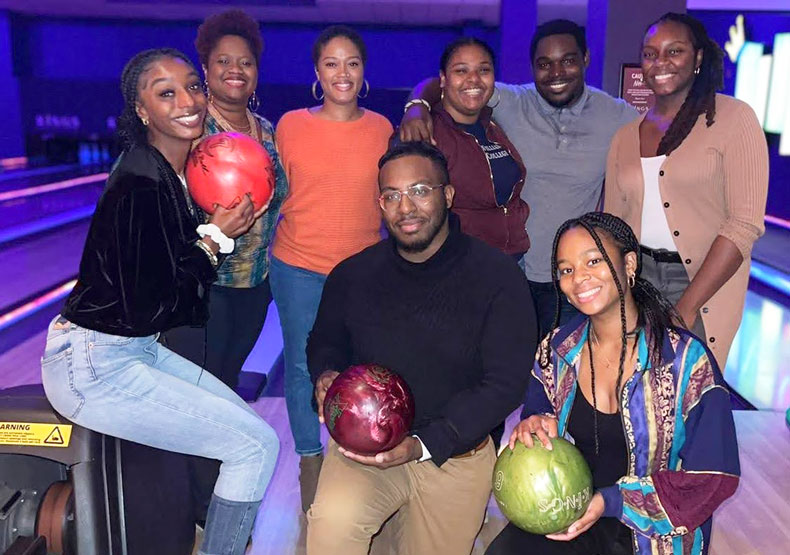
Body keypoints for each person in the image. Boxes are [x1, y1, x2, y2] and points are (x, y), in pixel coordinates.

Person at [39, 49, 279, 555]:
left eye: (192, 87)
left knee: (251, 434)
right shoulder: (139, 185)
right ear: (142, 110)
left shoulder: (166, 173)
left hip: (128, 351)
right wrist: (214, 239)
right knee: (254, 446)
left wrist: (211, 236)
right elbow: (155, 304)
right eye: (166, 93)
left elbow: (169, 297)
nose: (187, 101)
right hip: (95, 366)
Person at [306, 142, 538, 554]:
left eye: (419, 190)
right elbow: (325, 340)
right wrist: (326, 374)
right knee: (331, 530)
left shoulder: (496, 277)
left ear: (448, 195)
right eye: (391, 196)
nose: (405, 207)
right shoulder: (353, 274)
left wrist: (425, 442)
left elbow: (505, 383)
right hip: (366, 453)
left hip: (454, 454)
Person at [485, 212, 739, 555]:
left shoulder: (686, 362)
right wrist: (537, 421)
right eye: (566, 269)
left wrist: (612, 501)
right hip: (573, 509)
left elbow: (713, 477)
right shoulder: (557, 350)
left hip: (653, 533)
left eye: (593, 261)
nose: (579, 278)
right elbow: (539, 407)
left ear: (629, 263)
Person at [400, 19, 638, 337]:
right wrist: (416, 106)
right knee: (512, 370)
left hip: (573, 276)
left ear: (585, 60)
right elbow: (445, 83)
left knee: (564, 372)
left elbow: (661, 137)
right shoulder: (512, 101)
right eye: (544, 64)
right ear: (532, 68)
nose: (556, 73)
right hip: (514, 271)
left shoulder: (617, 115)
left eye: (568, 61)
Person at [160, 9, 288, 526]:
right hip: (203, 284)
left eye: (246, 62)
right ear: (205, 70)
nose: (236, 70)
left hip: (253, 285)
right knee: (201, 393)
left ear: (256, 71)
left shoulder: (268, 130)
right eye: (222, 62)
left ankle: (214, 494)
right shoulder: (191, 129)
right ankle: (199, 509)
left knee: (227, 385)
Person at [270, 25, 393, 513]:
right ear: (316, 72)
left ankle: (359, 458)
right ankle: (310, 463)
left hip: (363, 269)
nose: (342, 73)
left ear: (363, 73)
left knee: (361, 368)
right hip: (298, 264)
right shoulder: (290, 125)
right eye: (331, 64)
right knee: (303, 368)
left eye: (352, 64)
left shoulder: (383, 128)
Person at [604, 12, 769, 366]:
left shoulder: (733, 119)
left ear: (697, 58)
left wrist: (685, 308)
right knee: (635, 393)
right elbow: (612, 225)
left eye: (673, 51)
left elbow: (744, 224)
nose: (659, 63)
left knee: (689, 396)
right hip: (637, 279)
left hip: (700, 279)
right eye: (650, 54)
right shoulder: (624, 136)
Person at [417, 36, 528, 259]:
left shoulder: (494, 125)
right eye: (461, 71)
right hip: (460, 267)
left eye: (484, 70)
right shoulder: (427, 134)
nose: (474, 79)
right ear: (443, 78)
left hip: (511, 262)